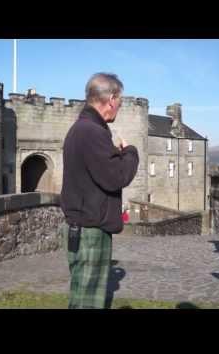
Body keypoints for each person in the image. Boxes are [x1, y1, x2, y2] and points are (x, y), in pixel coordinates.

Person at [60, 73, 139, 309]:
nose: (119, 108)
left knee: (82, 298)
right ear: (111, 99)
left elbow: (98, 173)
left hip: (83, 228)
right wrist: (130, 152)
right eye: (120, 103)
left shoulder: (83, 129)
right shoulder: (91, 131)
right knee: (88, 303)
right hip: (90, 232)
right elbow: (117, 177)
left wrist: (112, 155)